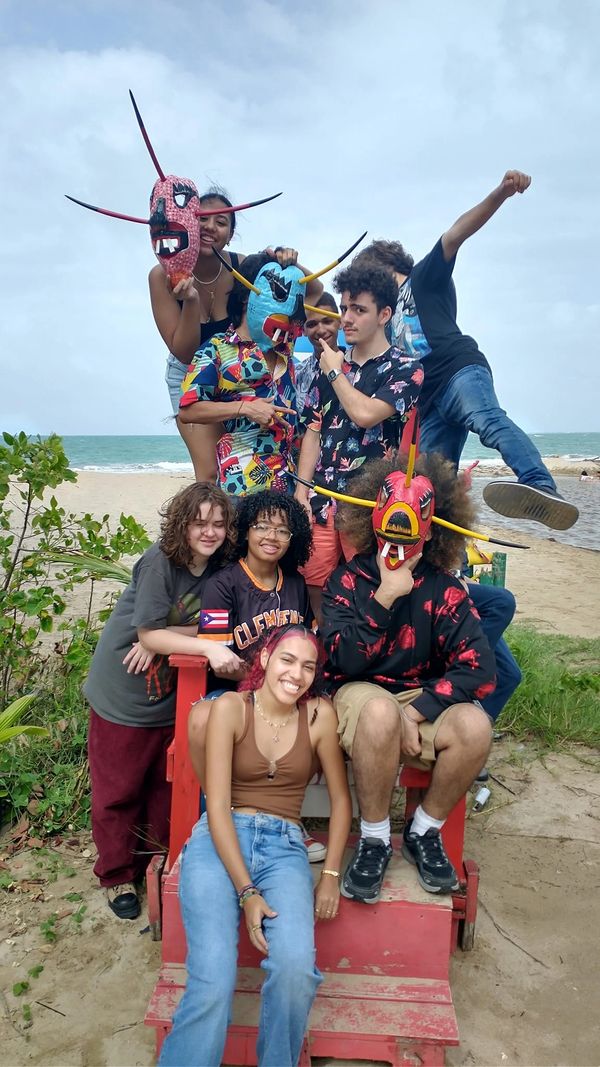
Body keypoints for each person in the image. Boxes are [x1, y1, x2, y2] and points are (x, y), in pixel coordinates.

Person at [158, 625, 352, 1067]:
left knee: (296, 970)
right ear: (264, 659)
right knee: (213, 977)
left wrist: (331, 875)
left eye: (308, 666)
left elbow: (342, 802)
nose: (296, 674)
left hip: (285, 845)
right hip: (220, 837)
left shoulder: (319, 715)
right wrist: (247, 892)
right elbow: (219, 806)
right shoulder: (230, 708)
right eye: (287, 660)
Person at [353, 171, 579, 531]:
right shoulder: (382, 317)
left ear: (386, 267)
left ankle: (539, 482)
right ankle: (442, 557)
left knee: (488, 422)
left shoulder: (423, 277)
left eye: (370, 275)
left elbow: (456, 233)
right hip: (429, 401)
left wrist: (501, 192)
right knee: (430, 481)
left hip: (459, 371)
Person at [321, 452, 495, 903]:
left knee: (476, 727)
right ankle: (376, 838)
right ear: (370, 515)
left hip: (421, 699)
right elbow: (340, 662)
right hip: (361, 696)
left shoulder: (446, 589)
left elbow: (479, 667)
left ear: (433, 526)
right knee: (378, 712)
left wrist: (417, 712)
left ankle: (424, 831)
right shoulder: (346, 581)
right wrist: (383, 598)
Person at [83, 483, 242, 920]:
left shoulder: (222, 568)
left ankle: (151, 864)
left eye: (218, 523)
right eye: (199, 522)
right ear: (182, 524)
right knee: (118, 789)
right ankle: (115, 876)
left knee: (163, 786)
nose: (209, 532)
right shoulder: (160, 562)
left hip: (171, 694)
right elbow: (151, 634)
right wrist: (191, 643)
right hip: (124, 692)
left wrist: (167, 637)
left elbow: (217, 626)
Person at [150, 186, 322, 481]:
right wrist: (190, 300)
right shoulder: (162, 274)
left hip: (239, 369)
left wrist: (289, 262)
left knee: (243, 463)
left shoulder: (244, 267)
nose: (210, 227)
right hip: (191, 373)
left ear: (231, 234)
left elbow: (314, 294)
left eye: (221, 222)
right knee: (208, 472)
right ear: (189, 221)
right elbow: (184, 351)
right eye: (203, 218)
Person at [294, 263, 423, 621]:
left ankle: (361, 652)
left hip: (370, 506)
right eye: (345, 308)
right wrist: (302, 492)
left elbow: (365, 414)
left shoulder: (406, 368)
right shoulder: (328, 364)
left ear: (385, 314)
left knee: (367, 584)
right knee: (314, 583)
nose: (347, 319)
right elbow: (313, 430)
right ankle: (323, 648)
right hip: (321, 501)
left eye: (359, 310)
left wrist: (334, 372)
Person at [178, 250, 312, 495]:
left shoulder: (284, 345)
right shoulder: (217, 348)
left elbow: (316, 291)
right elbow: (188, 409)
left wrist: (291, 264)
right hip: (240, 486)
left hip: (287, 484)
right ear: (248, 296)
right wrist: (245, 407)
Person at [294, 291, 342, 422]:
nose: (320, 330)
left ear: (340, 322)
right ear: (303, 330)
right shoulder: (295, 374)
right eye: (312, 324)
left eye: (327, 321)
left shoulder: (358, 367)